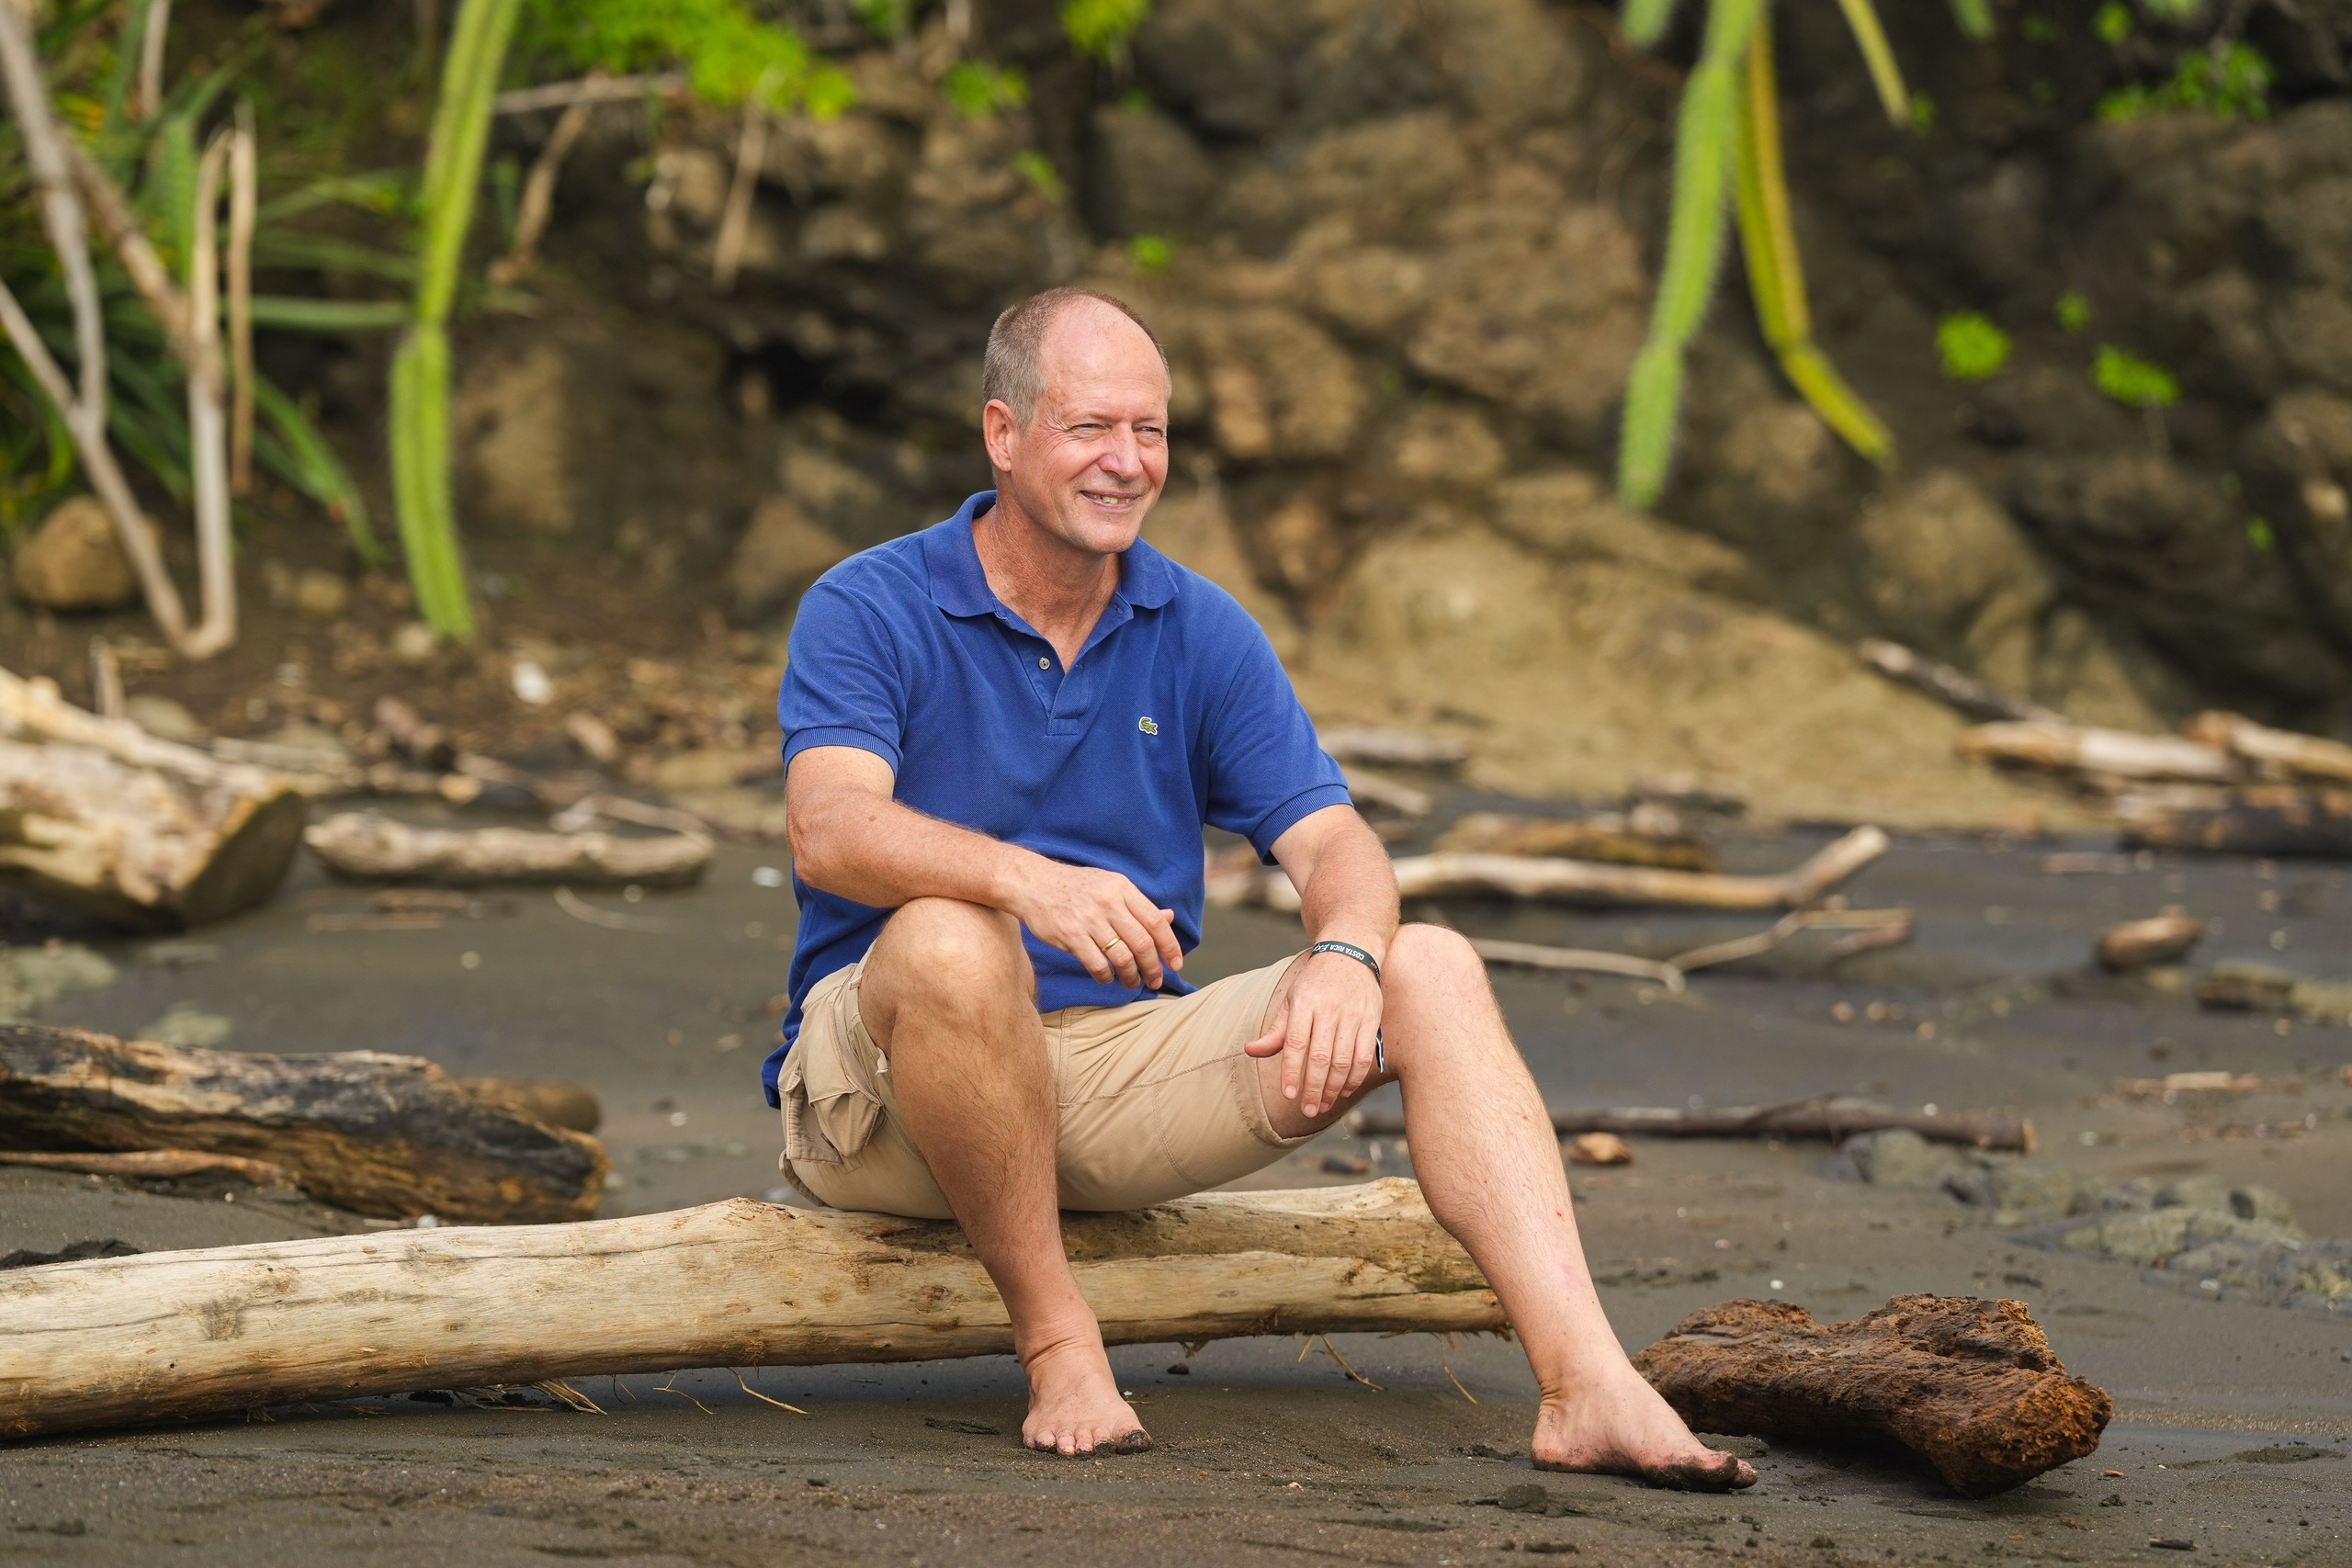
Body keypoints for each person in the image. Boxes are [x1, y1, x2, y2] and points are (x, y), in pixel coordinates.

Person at [763, 286, 1755, 1489]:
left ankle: (1586, 1380)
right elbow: (828, 829)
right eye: (1090, 429)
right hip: (883, 1092)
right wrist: (1028, 883)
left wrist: (1344, 955)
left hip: (1109, 1071)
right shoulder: (871, 602)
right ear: (1003, 434)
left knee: (1428, 964)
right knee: (953, 941)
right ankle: (1059, 1341)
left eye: (1153, 431)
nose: (1128, 464)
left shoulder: (1199, 626)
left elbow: (1338, 845)